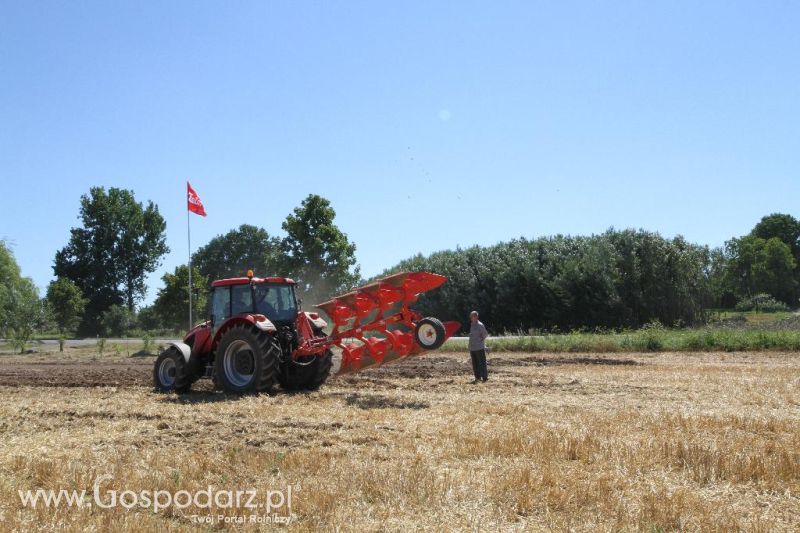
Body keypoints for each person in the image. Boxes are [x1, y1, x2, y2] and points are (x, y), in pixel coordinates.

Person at [468, 310, 489, 383]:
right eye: (470, 316)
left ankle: (485, 377)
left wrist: (481, 339)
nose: (471, 318)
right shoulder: (472, 324)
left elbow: (485, 334)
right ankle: (477, 377)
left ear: (476, 317)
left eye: (472, 316)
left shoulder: (480, 325)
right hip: (472, 348)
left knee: (482, 362)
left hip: (479, 347)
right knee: (475, 363)